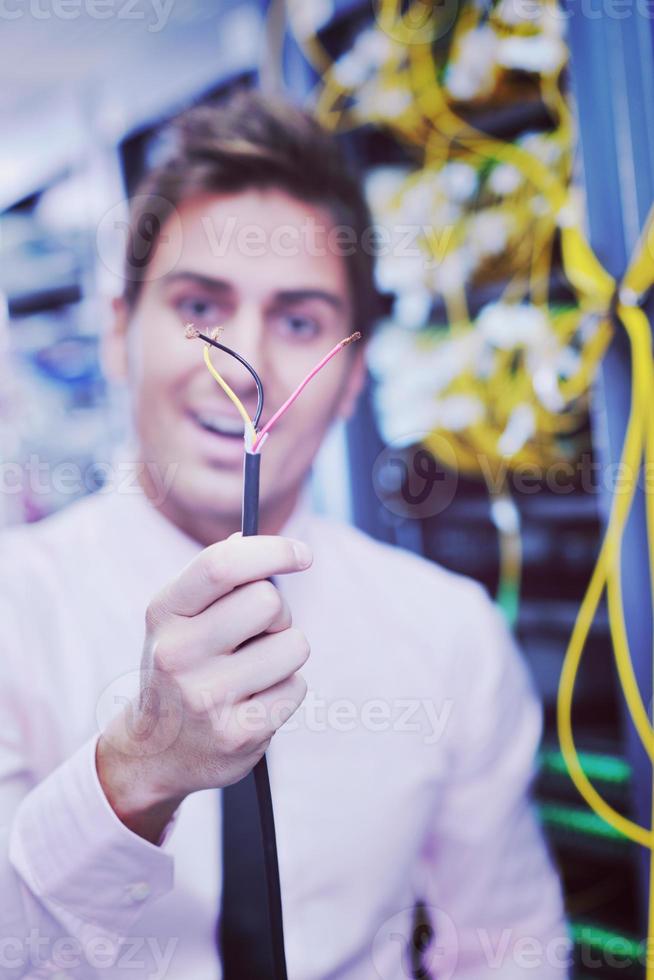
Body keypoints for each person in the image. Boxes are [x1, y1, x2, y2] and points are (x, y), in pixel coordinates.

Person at [0, 90, 568, 980]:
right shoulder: (13, 611)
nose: (251, 364)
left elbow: (510, 953)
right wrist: (132, 775)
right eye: (200, 304)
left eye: (300, 321)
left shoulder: (451, 637)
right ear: (118, 334)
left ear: (350, 385)